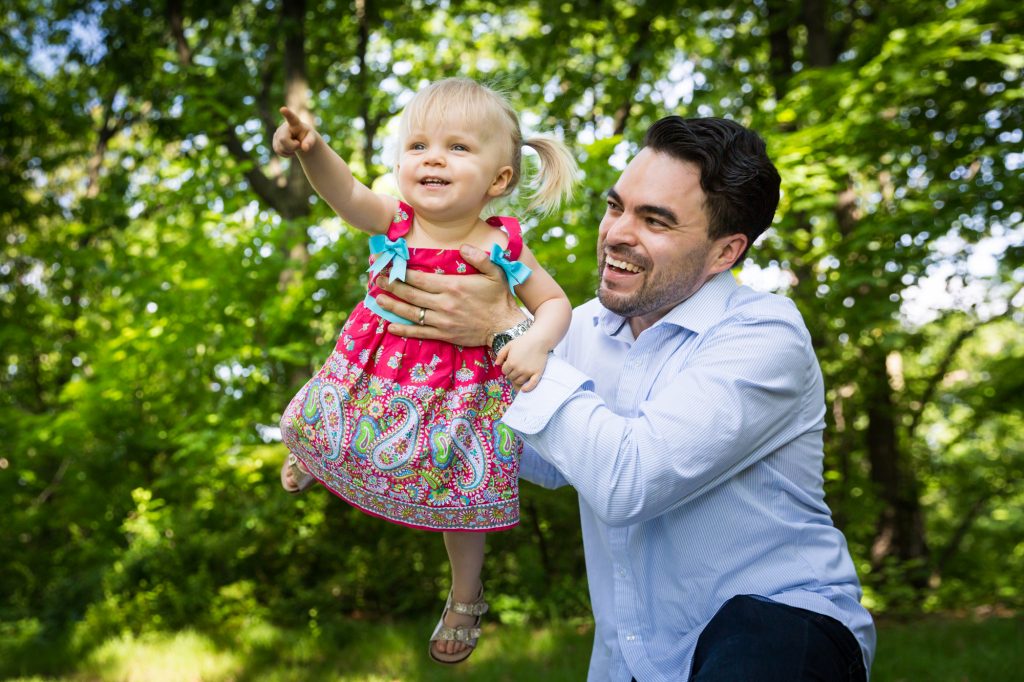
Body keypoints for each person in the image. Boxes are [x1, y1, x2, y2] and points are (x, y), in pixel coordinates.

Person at [372, 116, 877, 680]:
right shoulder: (576, 330)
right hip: (629, 658)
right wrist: (381, 410)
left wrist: (505, 329)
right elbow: (525, 455)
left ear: (725, 251)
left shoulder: (764, 334)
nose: (616, 233)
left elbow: (631, 480)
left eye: (655, 220)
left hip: (781, 626)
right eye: (617, 207)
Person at [272, 77, 577, 664]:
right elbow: (346, 194)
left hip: (462, 391)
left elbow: (555, 304)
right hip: (375, 367)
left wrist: (537, 341)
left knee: (458, 487)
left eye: (458, 148)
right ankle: (316, 452)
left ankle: (466, 596)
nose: (434, 157)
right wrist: (313, 149)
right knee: (329, 406)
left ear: (499, 180)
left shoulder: (502, 245)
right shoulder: (395, 220)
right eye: (418, 146)